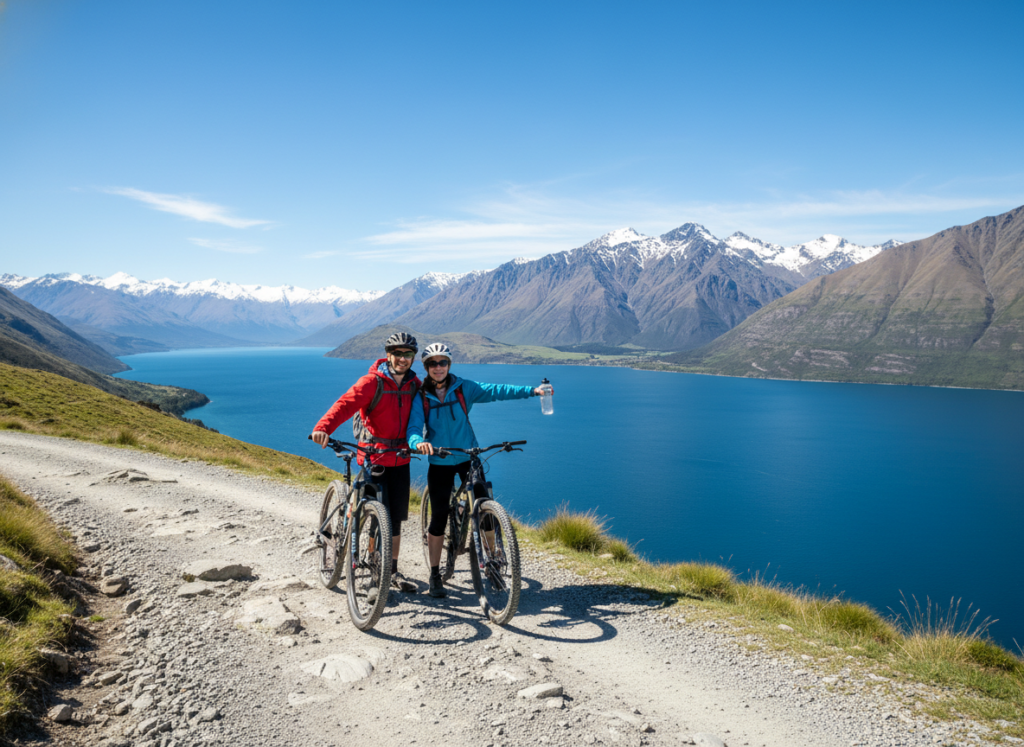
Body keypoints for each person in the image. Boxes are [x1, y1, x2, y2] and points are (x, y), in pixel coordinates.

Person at [406, 342, 547, 598]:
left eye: (443, 362)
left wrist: (534, 391)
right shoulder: (420, 396)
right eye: (433, 363)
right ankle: (435, 574)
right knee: (438, 518)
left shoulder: (464, 389)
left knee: (486, 508)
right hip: (439, 460)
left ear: (449, 365)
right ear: (426, 367)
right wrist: (418, 443)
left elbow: (497, 390)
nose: (439, 368)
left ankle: (493, 560)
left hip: (469, 455)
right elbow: (414, 428)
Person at [310, 331, 422, 593]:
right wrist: (323, 427)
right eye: (397, 354)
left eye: (407, 354)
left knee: (394, 521)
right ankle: (374, 573)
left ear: (413, 357)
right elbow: (345, 404)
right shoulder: (373, 381)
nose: (402, 359)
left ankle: (390, 571)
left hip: (401, 460)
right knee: (376, 517)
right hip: (373, 458)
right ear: (388, 355)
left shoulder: (415, 385)